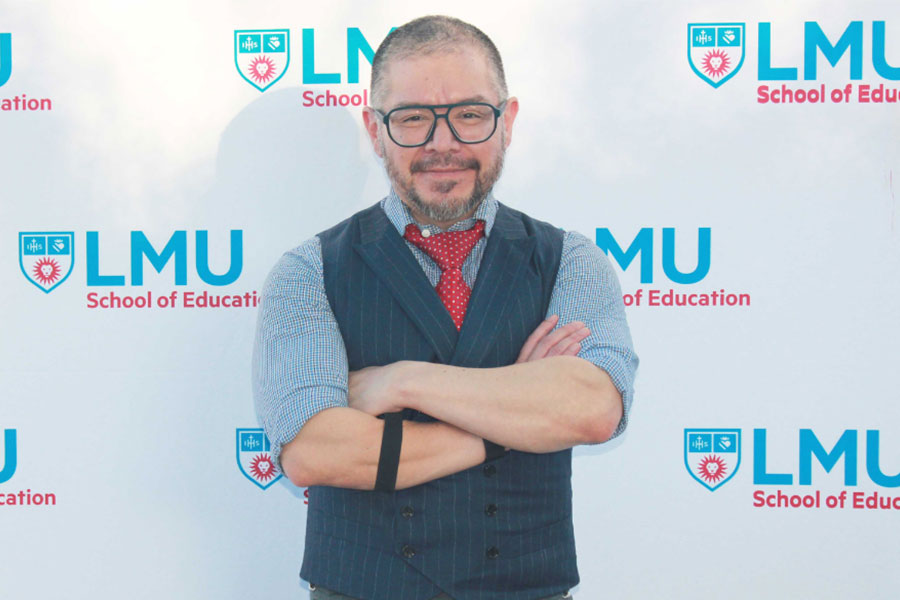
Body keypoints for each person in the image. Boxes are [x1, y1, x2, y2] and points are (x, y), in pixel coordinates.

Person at [252, 15, 638, 600]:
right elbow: (313, 450)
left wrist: (402, 381)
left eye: (469, 114)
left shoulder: (571, 261)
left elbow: (591, 408)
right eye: (412, 119)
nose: (443, 143)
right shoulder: (308, 273)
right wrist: (512, 420)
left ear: (506, 122)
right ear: (376, 131)